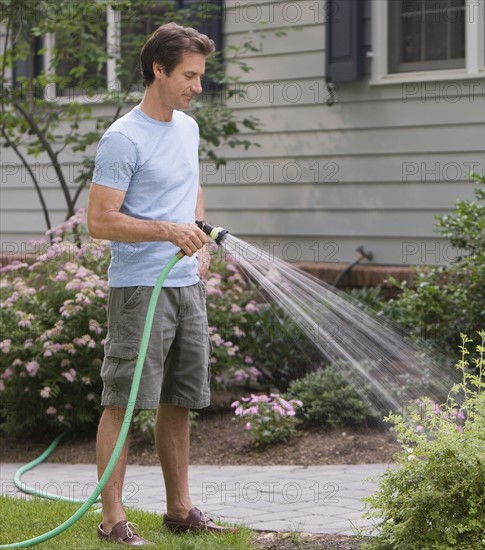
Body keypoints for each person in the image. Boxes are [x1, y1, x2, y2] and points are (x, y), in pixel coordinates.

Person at [87, 22, 236, 546]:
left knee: (179, 399)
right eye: (190, 76)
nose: (198, 86)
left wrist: (200, 236)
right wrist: (166, 231)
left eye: (201, 75)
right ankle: (112, 521)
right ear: (159, 69)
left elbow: (191, 190)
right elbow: (100, 221)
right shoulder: (122, 139)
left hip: (185, 285)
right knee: (125, 401)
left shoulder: (187, 129)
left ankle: (179, 509)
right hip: (139, 290)